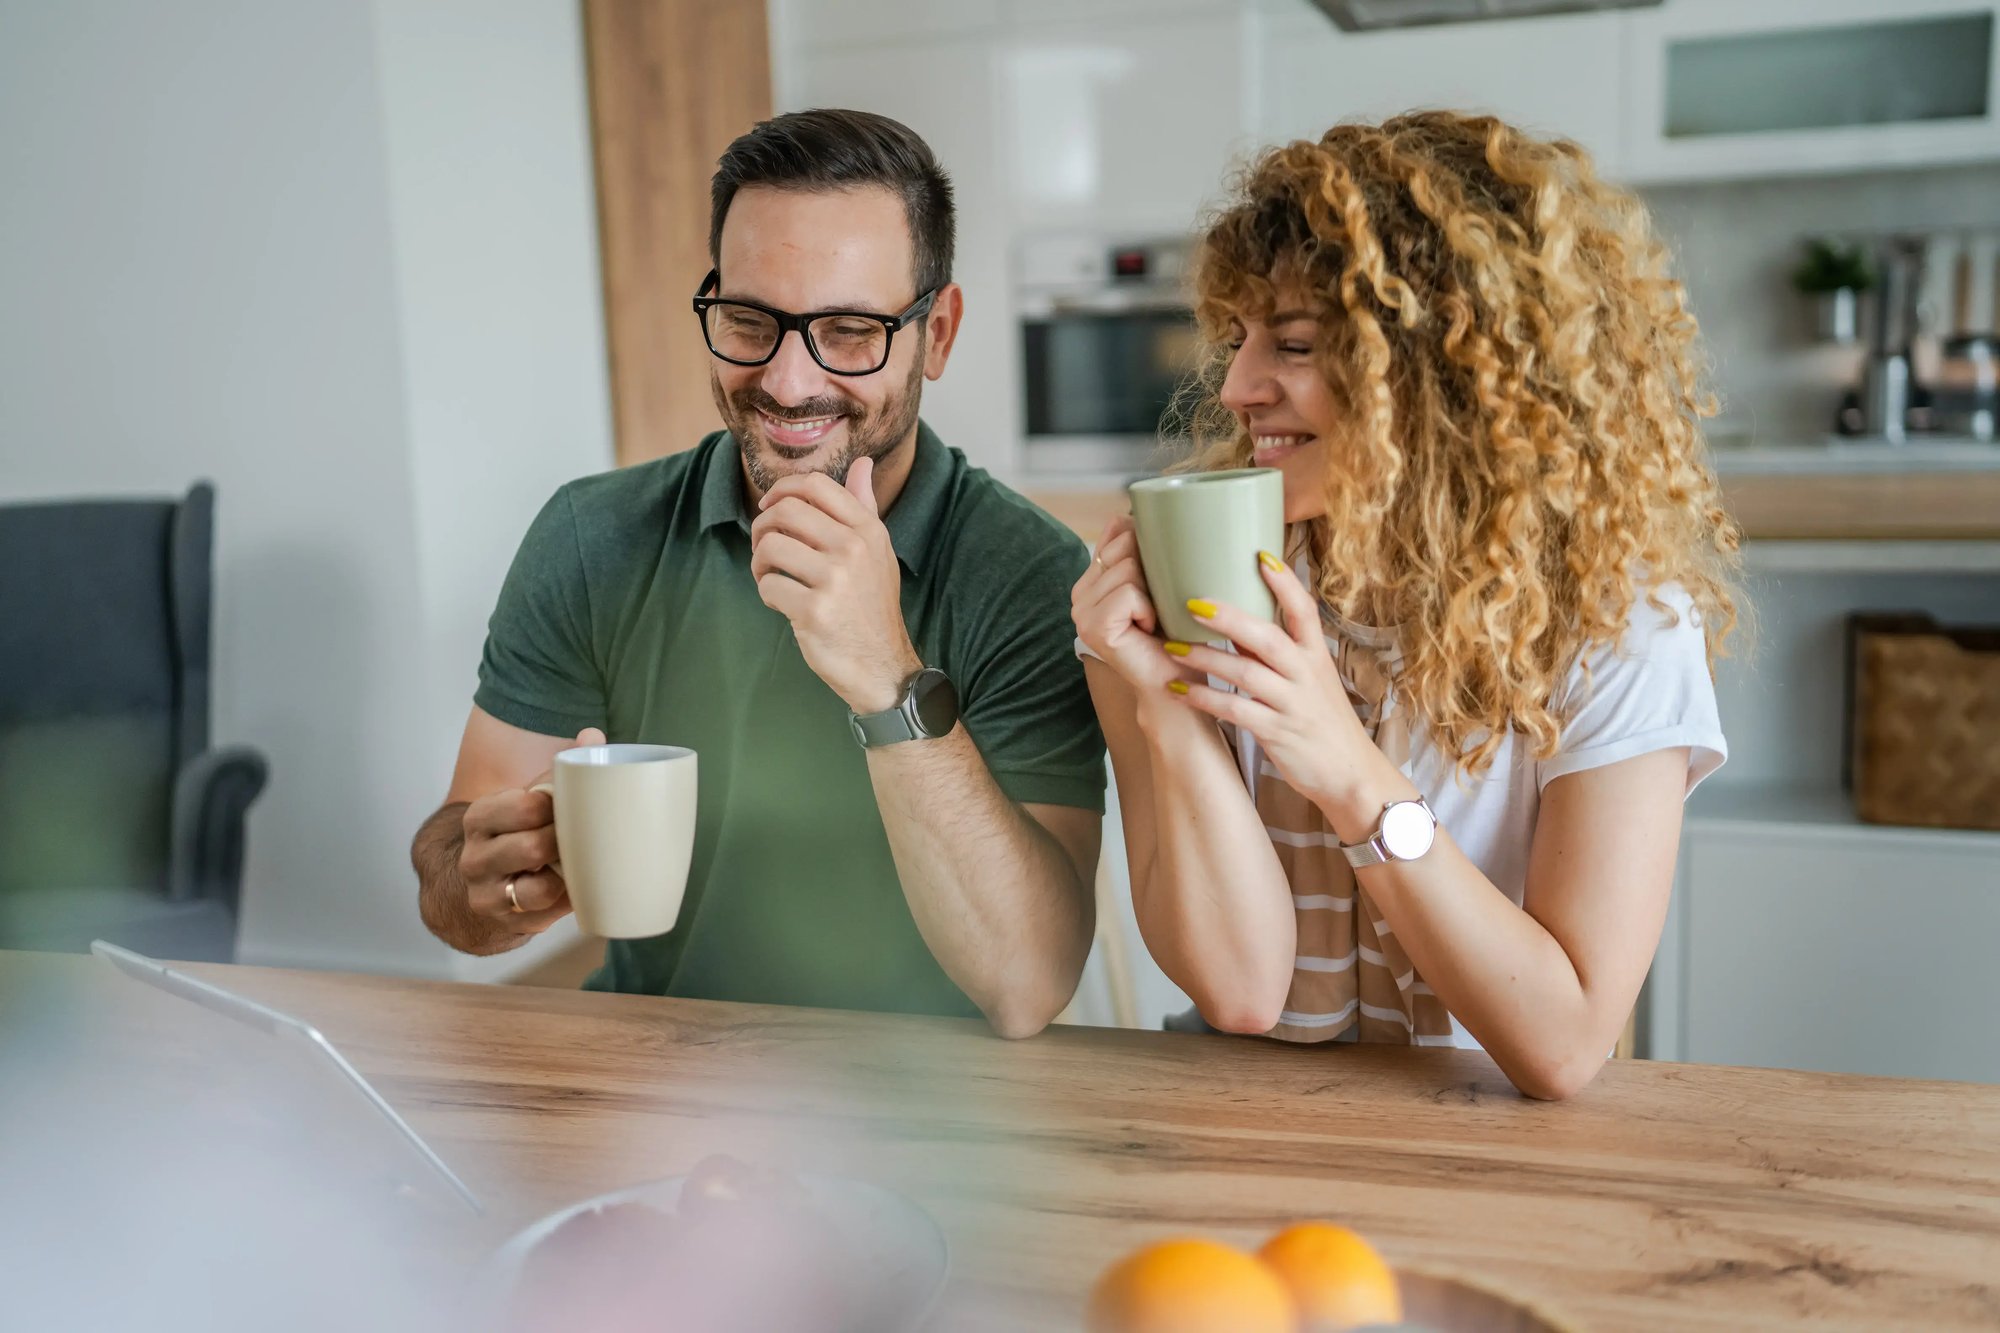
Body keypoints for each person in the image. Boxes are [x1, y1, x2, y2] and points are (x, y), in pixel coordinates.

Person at [1072, 111, 1742, 1098]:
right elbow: (1245, 994)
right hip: (1244, 1126)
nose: (1238, 386)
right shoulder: (1199, 585)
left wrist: (1345, 768)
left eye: (1291, 345)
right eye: (1239, 340)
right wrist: (1165, 702)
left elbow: (1559, 1045)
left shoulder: (1615, 625)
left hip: (1486, 1147)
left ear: (1435, 376)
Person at [413, 109, 1104, 1037]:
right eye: (749, 320)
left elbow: (1027, 982)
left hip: (937, 1115)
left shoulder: (1026, 572)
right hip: (652, 1078)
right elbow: (451, 875)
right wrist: (482, 878)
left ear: (936, 333)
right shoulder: (593, 535)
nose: (785, 382)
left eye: (851, 331)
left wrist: (885, 673)